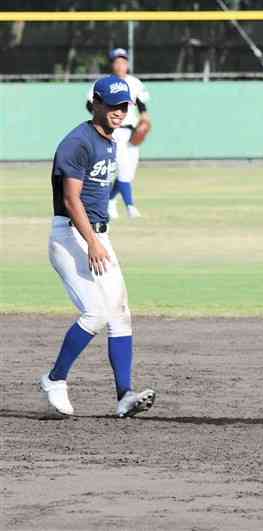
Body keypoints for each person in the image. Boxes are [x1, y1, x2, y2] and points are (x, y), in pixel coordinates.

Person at [41, 74, 156, 418]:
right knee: (95, 313)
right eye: (114, 105)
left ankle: (125, 395)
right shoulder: (77, 142)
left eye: (125, 106)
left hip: (96, 236)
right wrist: (91, 240)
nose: (120, 111)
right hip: (71, 236)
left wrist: (98, 238)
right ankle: (54, 379)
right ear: (96, 104)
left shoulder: (110, 139)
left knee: (120, 314)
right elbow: (70, 198)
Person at [86, 48, 151, 219]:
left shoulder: (134, 83)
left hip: (132, 131)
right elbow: (90, 105)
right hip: (115, 131)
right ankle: (130, 207)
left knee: (129, 172)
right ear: (112, 64)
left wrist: (145, 121)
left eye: (124, 61)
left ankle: (109, 200)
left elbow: (142, 106)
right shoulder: (103, 83)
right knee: (123, 169)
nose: (121, 64)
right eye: (117, 61)